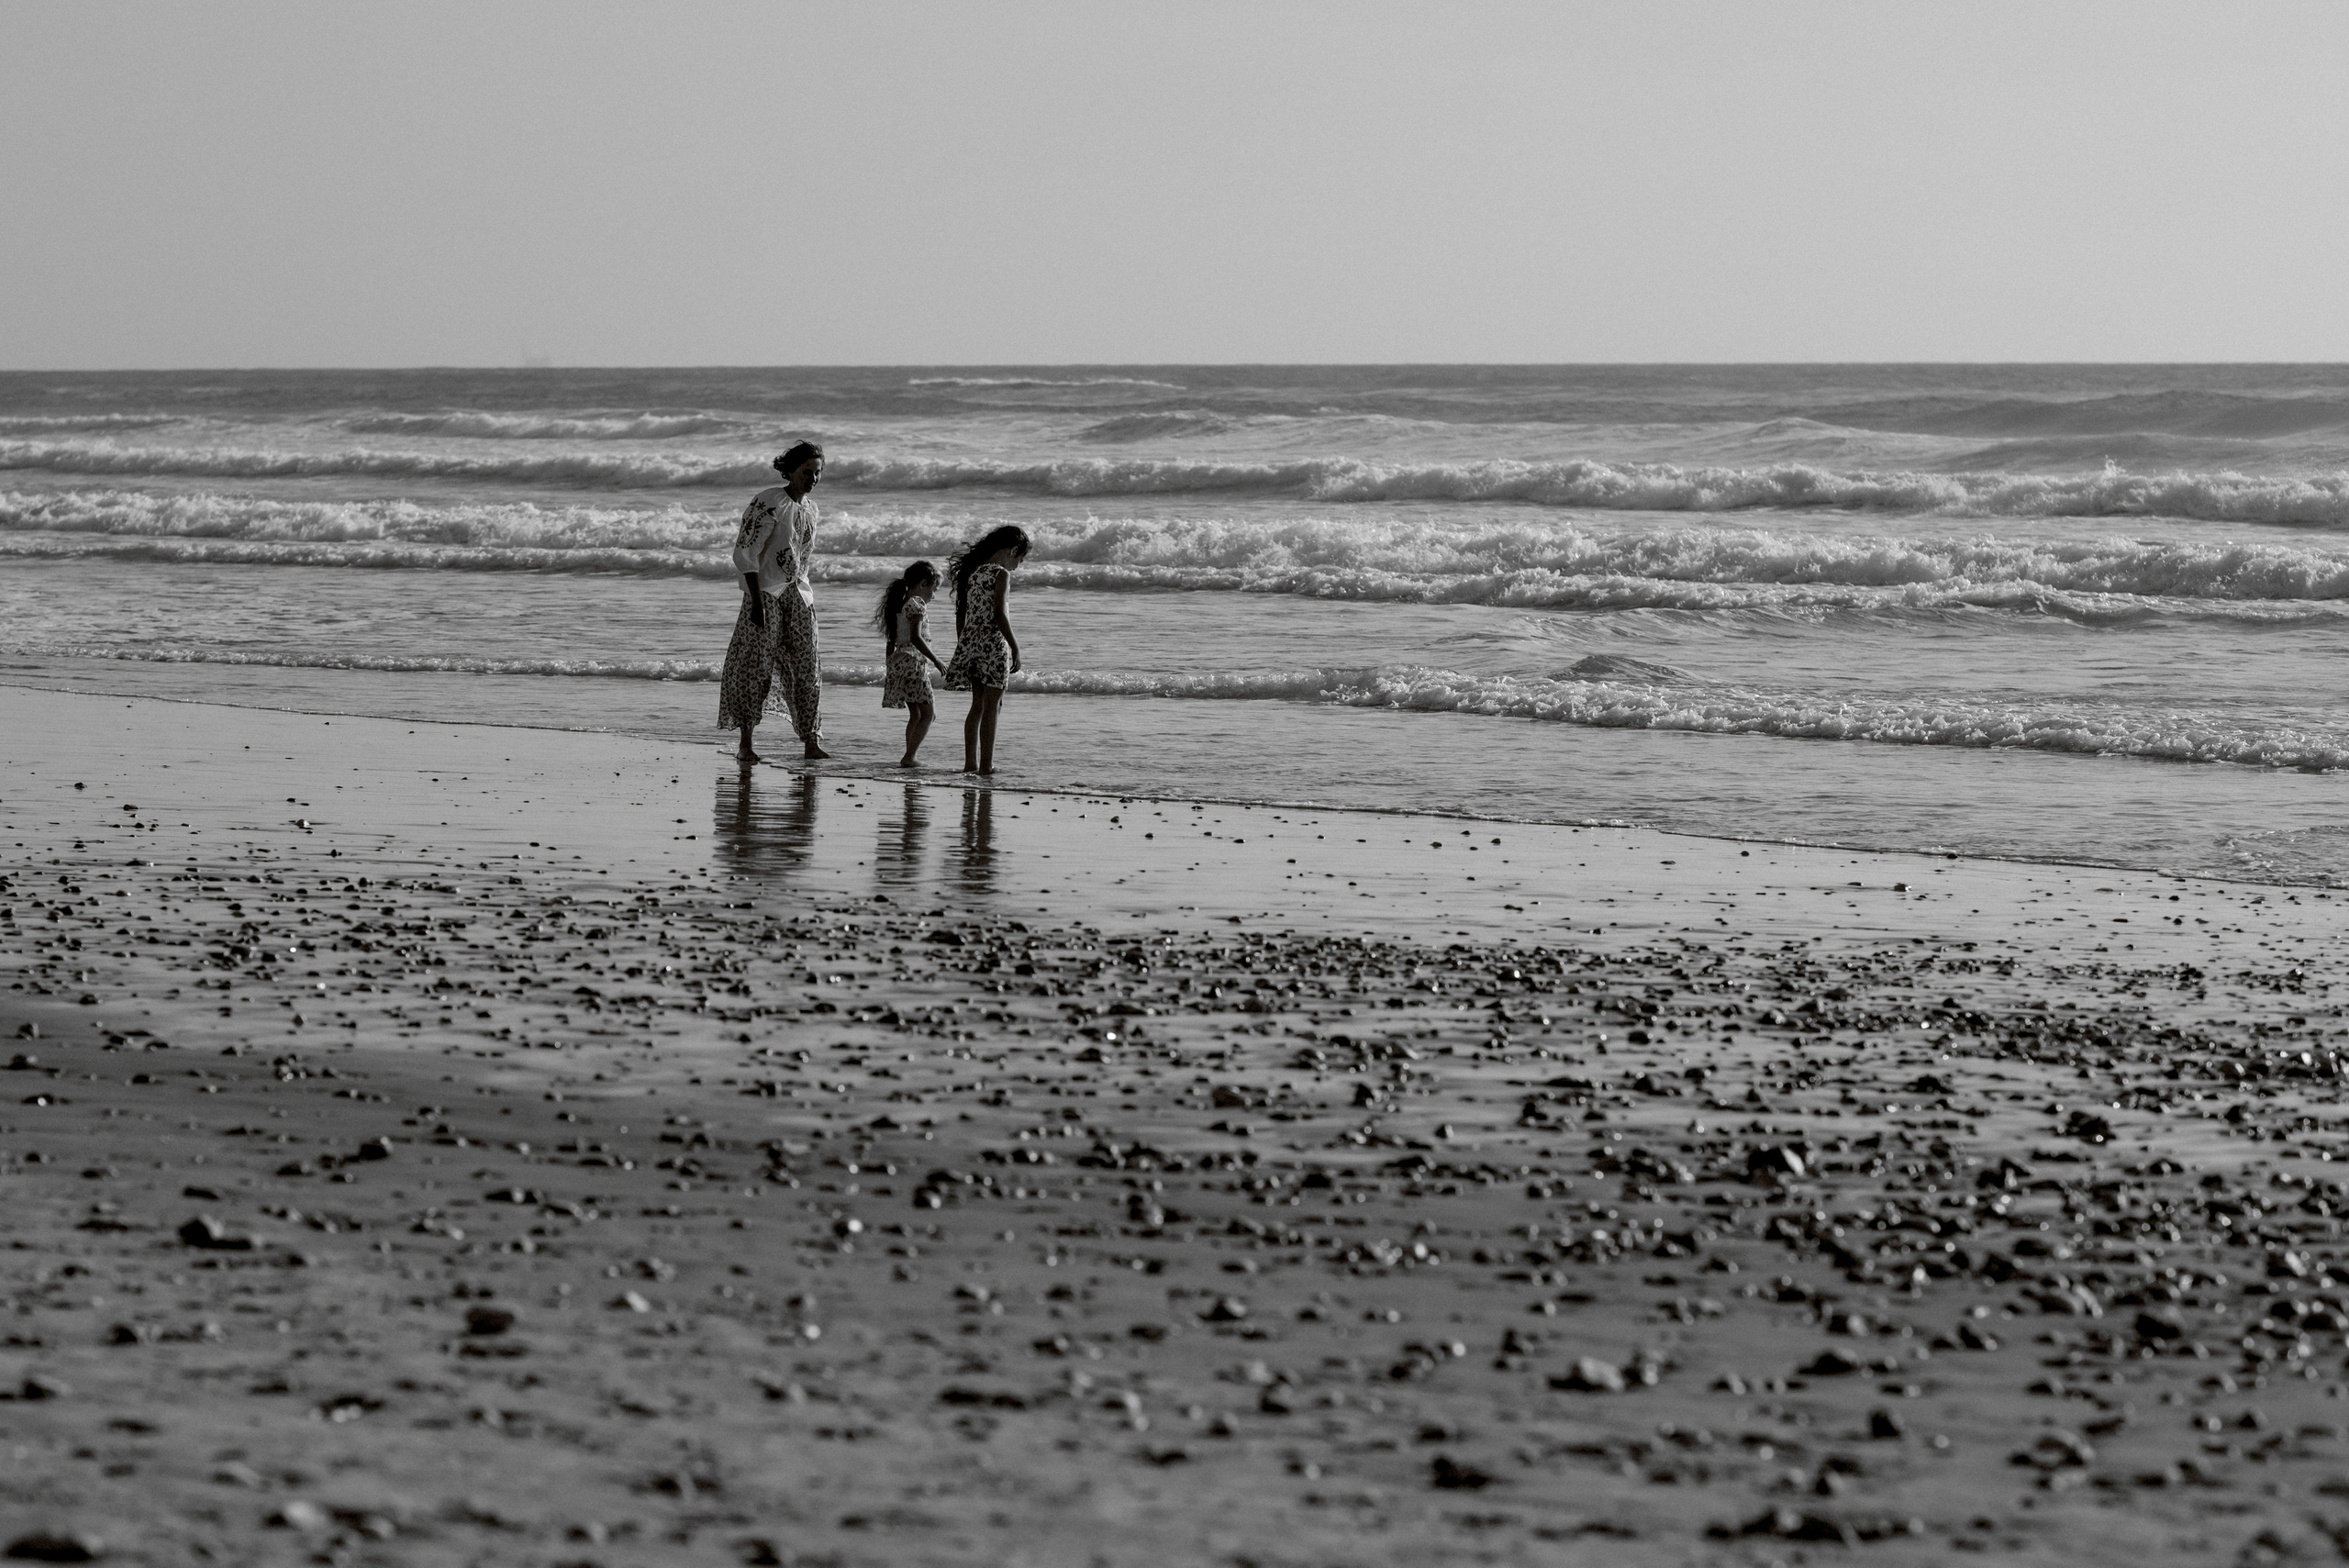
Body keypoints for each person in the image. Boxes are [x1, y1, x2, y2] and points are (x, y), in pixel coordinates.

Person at [718, 441, 829, 763]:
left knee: (808, 668)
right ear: (790, 470)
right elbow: (745, 552)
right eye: (807, 472)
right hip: (765, 593)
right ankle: (746, 743)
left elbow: (801, 558)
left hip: (799, 595)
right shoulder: (770, 501)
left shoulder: (811, 509)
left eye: (817, 473)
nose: (812, 479)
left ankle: (811, 741)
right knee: (756, 668)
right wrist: (755, 602)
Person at [941, 525, 1030, 775]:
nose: (1018, 565)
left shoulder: (974, 573)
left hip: (971, 642)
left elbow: (962, 613)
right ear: (1013, 550)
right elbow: (1000, 614)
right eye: (1020, 559)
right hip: (993, 644)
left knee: (977, 706)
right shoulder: (1001, 574)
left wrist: (964, 645)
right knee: (994, 706)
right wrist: (1015, 646)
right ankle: (986, 766)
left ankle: (970, 764)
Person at [874, 560, 946, 767]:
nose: (934, 595)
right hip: (913, 663)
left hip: (899, 662)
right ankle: (909, 757)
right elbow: (916, 638)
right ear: (923, 584)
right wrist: (937, 660)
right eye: (935, 589)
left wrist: (890, 664)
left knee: (916, 714)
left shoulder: (900, 603)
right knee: (929, 715)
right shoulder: (917, 604)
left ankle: (909, 756)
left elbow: (892, 640)